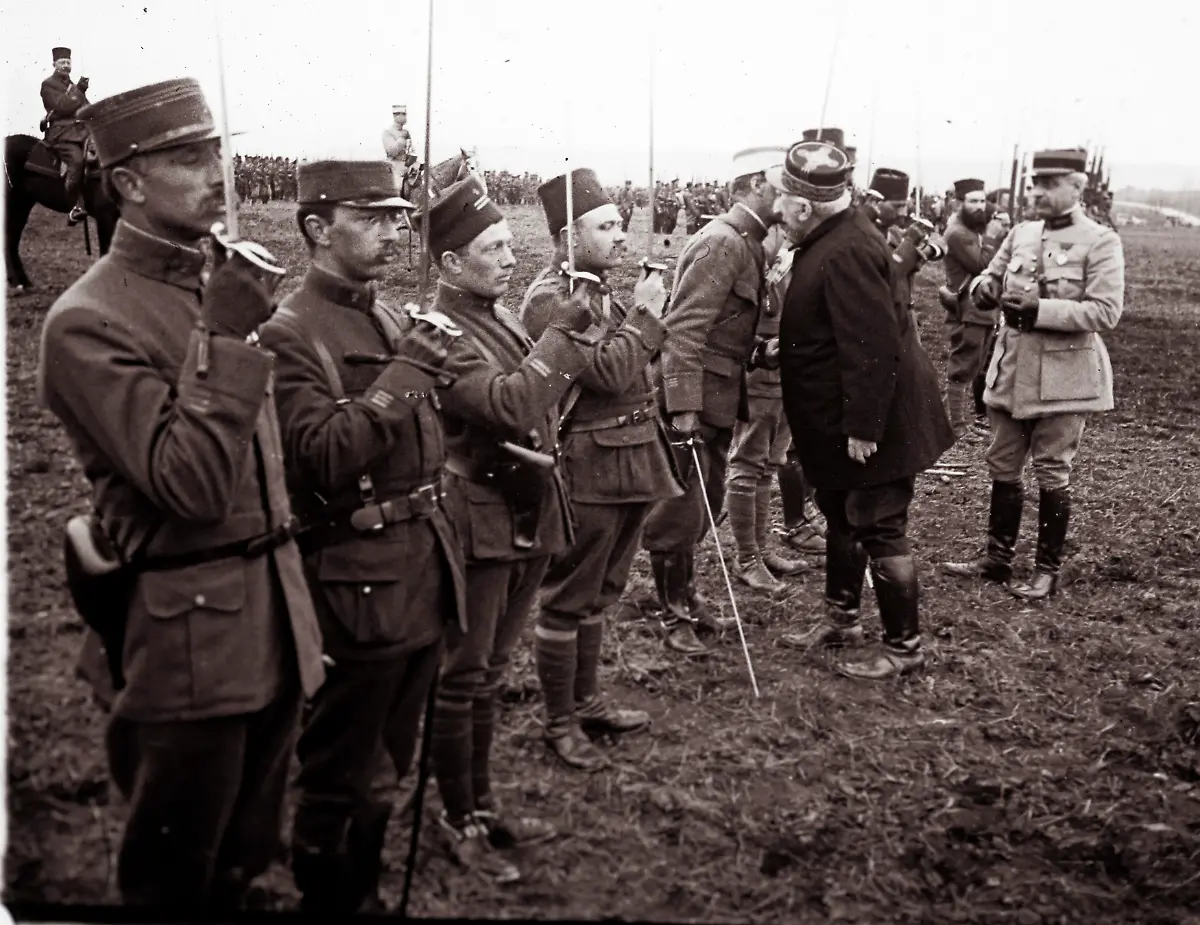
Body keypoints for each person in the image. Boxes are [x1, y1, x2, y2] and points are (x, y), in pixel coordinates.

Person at [38, 77, 326, 912]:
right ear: (127, 182)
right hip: (191, 647)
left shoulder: (214, 286)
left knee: (246, 857)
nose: (216, 172)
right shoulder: (86, 320)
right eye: (187, 157)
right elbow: (192, 485)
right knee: (174, 882)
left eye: (216, 151)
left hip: (274, 623)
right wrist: (230, 336)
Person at [258, 159, 466, 913]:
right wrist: (405, 377)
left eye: (397, 216)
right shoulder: (287, 332)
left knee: (388, 761)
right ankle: (329, 900)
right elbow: (317, 456)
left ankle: (367, 895)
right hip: (357, 585)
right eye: (371, 218)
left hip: (420, 572)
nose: (394, 230)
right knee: (339, 766)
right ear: (318, 229)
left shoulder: (383, 315)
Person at [422, 175, 601, 882]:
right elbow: (508, 401)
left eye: (506, 243)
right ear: (449, 264)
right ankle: (454, 814)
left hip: (524, 511)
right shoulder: (440, 330)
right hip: (481, 521)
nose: (508, 258)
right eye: (490, 248)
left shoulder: (492, 314)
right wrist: (561, 333)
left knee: (491, 672)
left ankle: (484, 804)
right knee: (462, 676)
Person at [769, 140, 953, 679]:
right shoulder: (833, 235)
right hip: (844, 418)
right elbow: (838, 323)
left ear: (803, 207)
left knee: (878, 523)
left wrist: (865, 427)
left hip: (872, 422)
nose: (778, 209)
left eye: (783, 200)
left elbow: (872, 344)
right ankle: (843, 618)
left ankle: (904, 648)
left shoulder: (845, 247)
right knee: (843, 514)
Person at [519, 168, 679, 771]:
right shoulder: (553, 298)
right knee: (570, 596)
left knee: (601, 592)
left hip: (632, 459)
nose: (621, 235)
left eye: (621, 222)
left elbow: (637, 372)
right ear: (568, 236)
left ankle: (584, 703)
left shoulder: (596, 287)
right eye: (606, 226)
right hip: (591, 465)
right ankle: (559, 721)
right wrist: (645, 318)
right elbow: (611, 373)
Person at [941, 149, 1125, 601]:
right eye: (1034, 185)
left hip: (1064, 377)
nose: (1036, 192)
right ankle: (997, 560)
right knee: (1002, 464)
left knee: (1051, 471)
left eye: (1049, 184)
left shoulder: (1101, 241)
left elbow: (1106, 310)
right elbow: (991, 274)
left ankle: (1047, 570)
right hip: (1012, 370)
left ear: (1077, 188)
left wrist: (1041, 309)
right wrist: (985, 289)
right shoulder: (1022, 233)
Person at [641, 147, 785, 656]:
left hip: (718, 394)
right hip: (695, 400)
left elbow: (725, 330)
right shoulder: (722, 243)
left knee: (700, 506)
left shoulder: (748, 242)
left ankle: (685, 596)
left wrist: (762, 353)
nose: (787, 194)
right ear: (750, 187)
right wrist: (683, 408)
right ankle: (671, 613)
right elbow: (682, 331)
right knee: (680, 510)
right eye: (778, 183)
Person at [725, 215, 809, 591]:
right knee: (748, 464)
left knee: (768, 466)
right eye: (779, 228)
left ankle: (760, 549)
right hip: (761, 378)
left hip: (789, 378)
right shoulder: (752, 267)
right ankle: (747, 558)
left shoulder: (789, 262)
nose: (786, 234)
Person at [941, 178, 1006, 439]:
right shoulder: (957, 232)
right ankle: (956, 425)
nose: (980, 206)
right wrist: (992, 237)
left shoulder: (972, 228)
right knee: (962, 366)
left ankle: (966, 421)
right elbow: (981, 265)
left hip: (983, 308)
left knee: (978, 365)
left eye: (982, 200)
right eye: (973, 201)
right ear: (960, 203)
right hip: (969, 309)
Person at [40, 46, 91, 223]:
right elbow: (63, 106)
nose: (66, 65)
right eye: (62, 62)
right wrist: (80, 90)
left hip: (80, 132)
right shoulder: (48, 84)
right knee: (76, 160)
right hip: (61, 134)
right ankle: (74, 207)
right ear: (54, 64)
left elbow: (86, 108)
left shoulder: (73, 86)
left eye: (68, 62)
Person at [382, 104, 415, 193]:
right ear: (396, 116)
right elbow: (392, 151)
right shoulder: (388, 132)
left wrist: (413, 159)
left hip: (408, 166)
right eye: (403, 114)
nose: (405, 117)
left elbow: (411, 150)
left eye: (405, 114)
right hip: (395, 167)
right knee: (397, 188)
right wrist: (401, 139)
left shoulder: (406, 132)